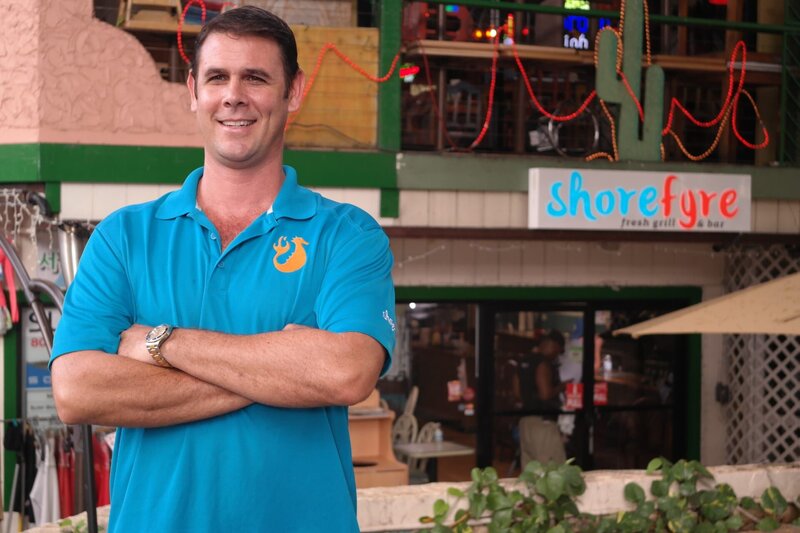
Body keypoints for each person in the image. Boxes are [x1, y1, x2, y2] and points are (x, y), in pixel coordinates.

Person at [49, 7, 395, 532]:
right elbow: (77, 391)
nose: (235, 95)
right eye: (217, 77)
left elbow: (346, 372)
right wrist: (285, 369)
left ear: (293, 91)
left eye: (256, 78)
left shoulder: (347, 235)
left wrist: (161, 343)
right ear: (193, 90)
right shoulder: (124, 237)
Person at [518, 330, 567, 466]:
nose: (557, 355)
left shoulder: (523, 361)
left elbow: (517, 393)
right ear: (553, 345)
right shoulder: (543, 363)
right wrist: (561, 387)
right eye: (558, 351)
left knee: (531, 474)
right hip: (543, 423)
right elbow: (545, 394)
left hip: (525, 422)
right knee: (553, 472)